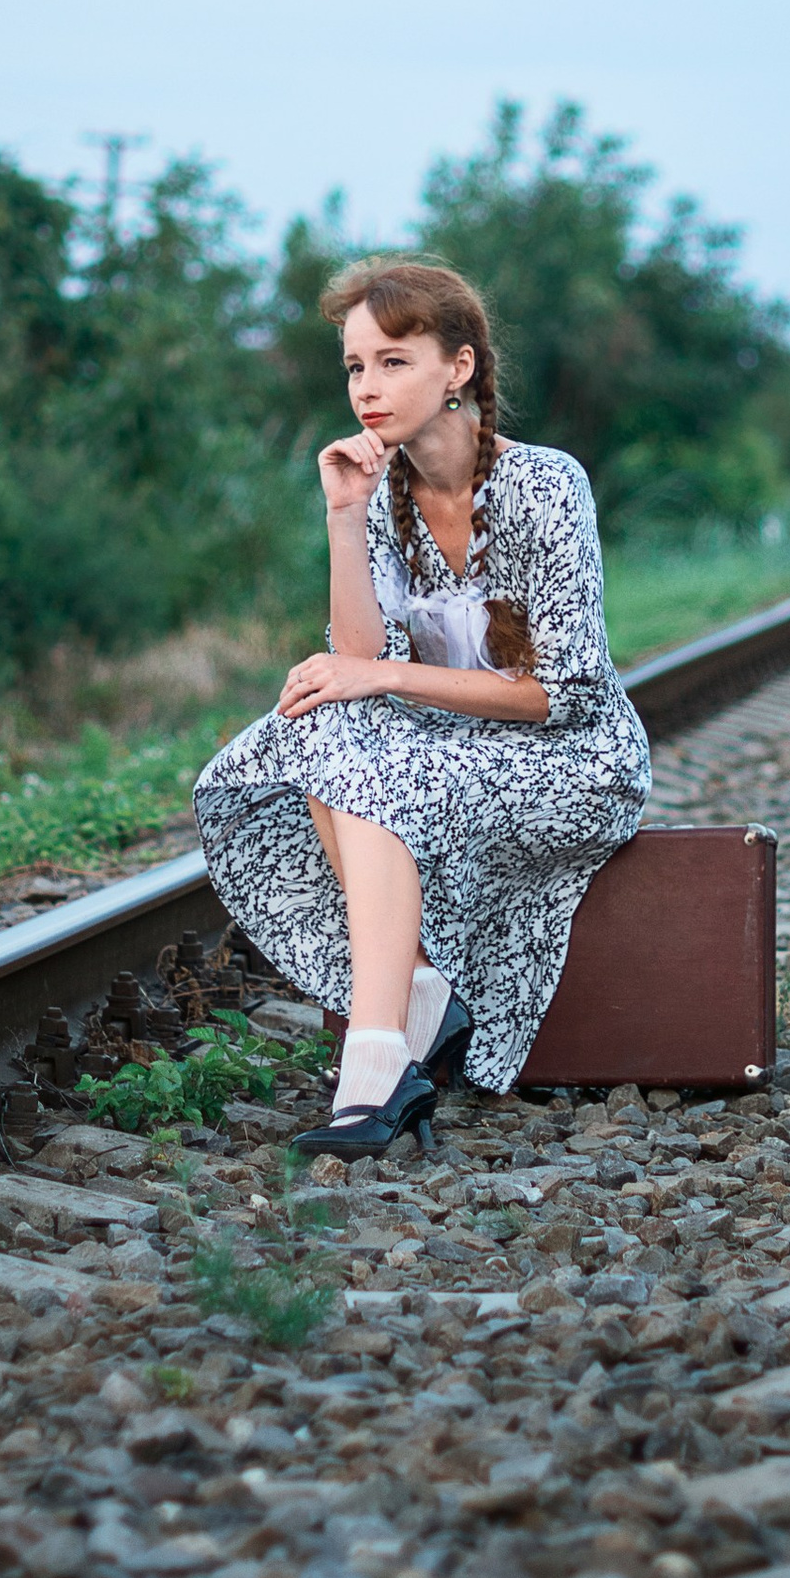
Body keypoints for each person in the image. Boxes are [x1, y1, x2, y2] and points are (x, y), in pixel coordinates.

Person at [193, 258, 649, 1157]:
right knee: (316, 729)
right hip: (445, 753)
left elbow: (561, 691)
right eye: (355, 366)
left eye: (394, 361)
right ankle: (421, 998)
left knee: (359, 741)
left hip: (576, 762)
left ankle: (375, 1063)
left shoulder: (545, 486)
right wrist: (342, 515)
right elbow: (357, 658)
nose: (368, 387)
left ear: (460, 368)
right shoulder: (382, 493)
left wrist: (387, 681)